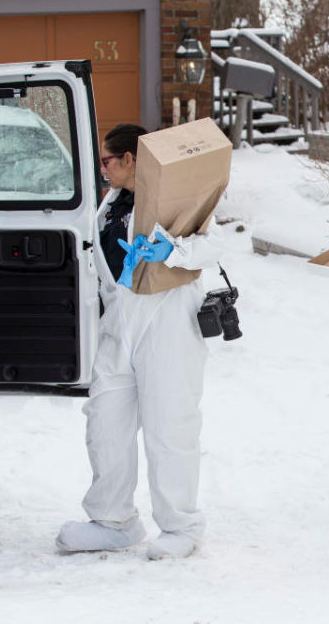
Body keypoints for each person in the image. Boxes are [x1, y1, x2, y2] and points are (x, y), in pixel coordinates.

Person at [56, 123, 224, 559]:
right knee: (105, 423)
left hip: (169, 319)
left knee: (170, 424)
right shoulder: (110, 204)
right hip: (121, 320)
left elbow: (213, 245)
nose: (104, 170)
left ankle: (181, 526)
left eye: (108, 161)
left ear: (130, 159)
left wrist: (173, 251)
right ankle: (113, 521)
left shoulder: (177, 193)